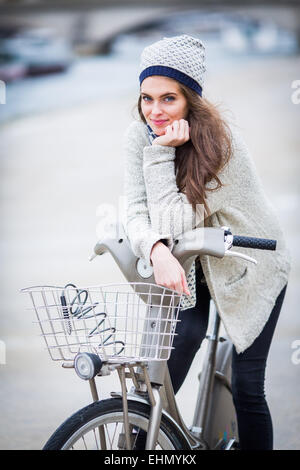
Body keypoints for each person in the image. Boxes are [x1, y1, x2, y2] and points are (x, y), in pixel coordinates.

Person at [123, 34, 291, 450]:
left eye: (168, 99)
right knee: (166, 368)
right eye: (147, 98)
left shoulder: (219, 145)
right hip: (193, 262)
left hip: (250, 264)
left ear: (190, 102)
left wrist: (162, 155)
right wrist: (156, 250)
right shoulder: (137, 134)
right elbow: (136, 212)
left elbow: (173, 220)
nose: (154, 112)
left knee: (249, 387)